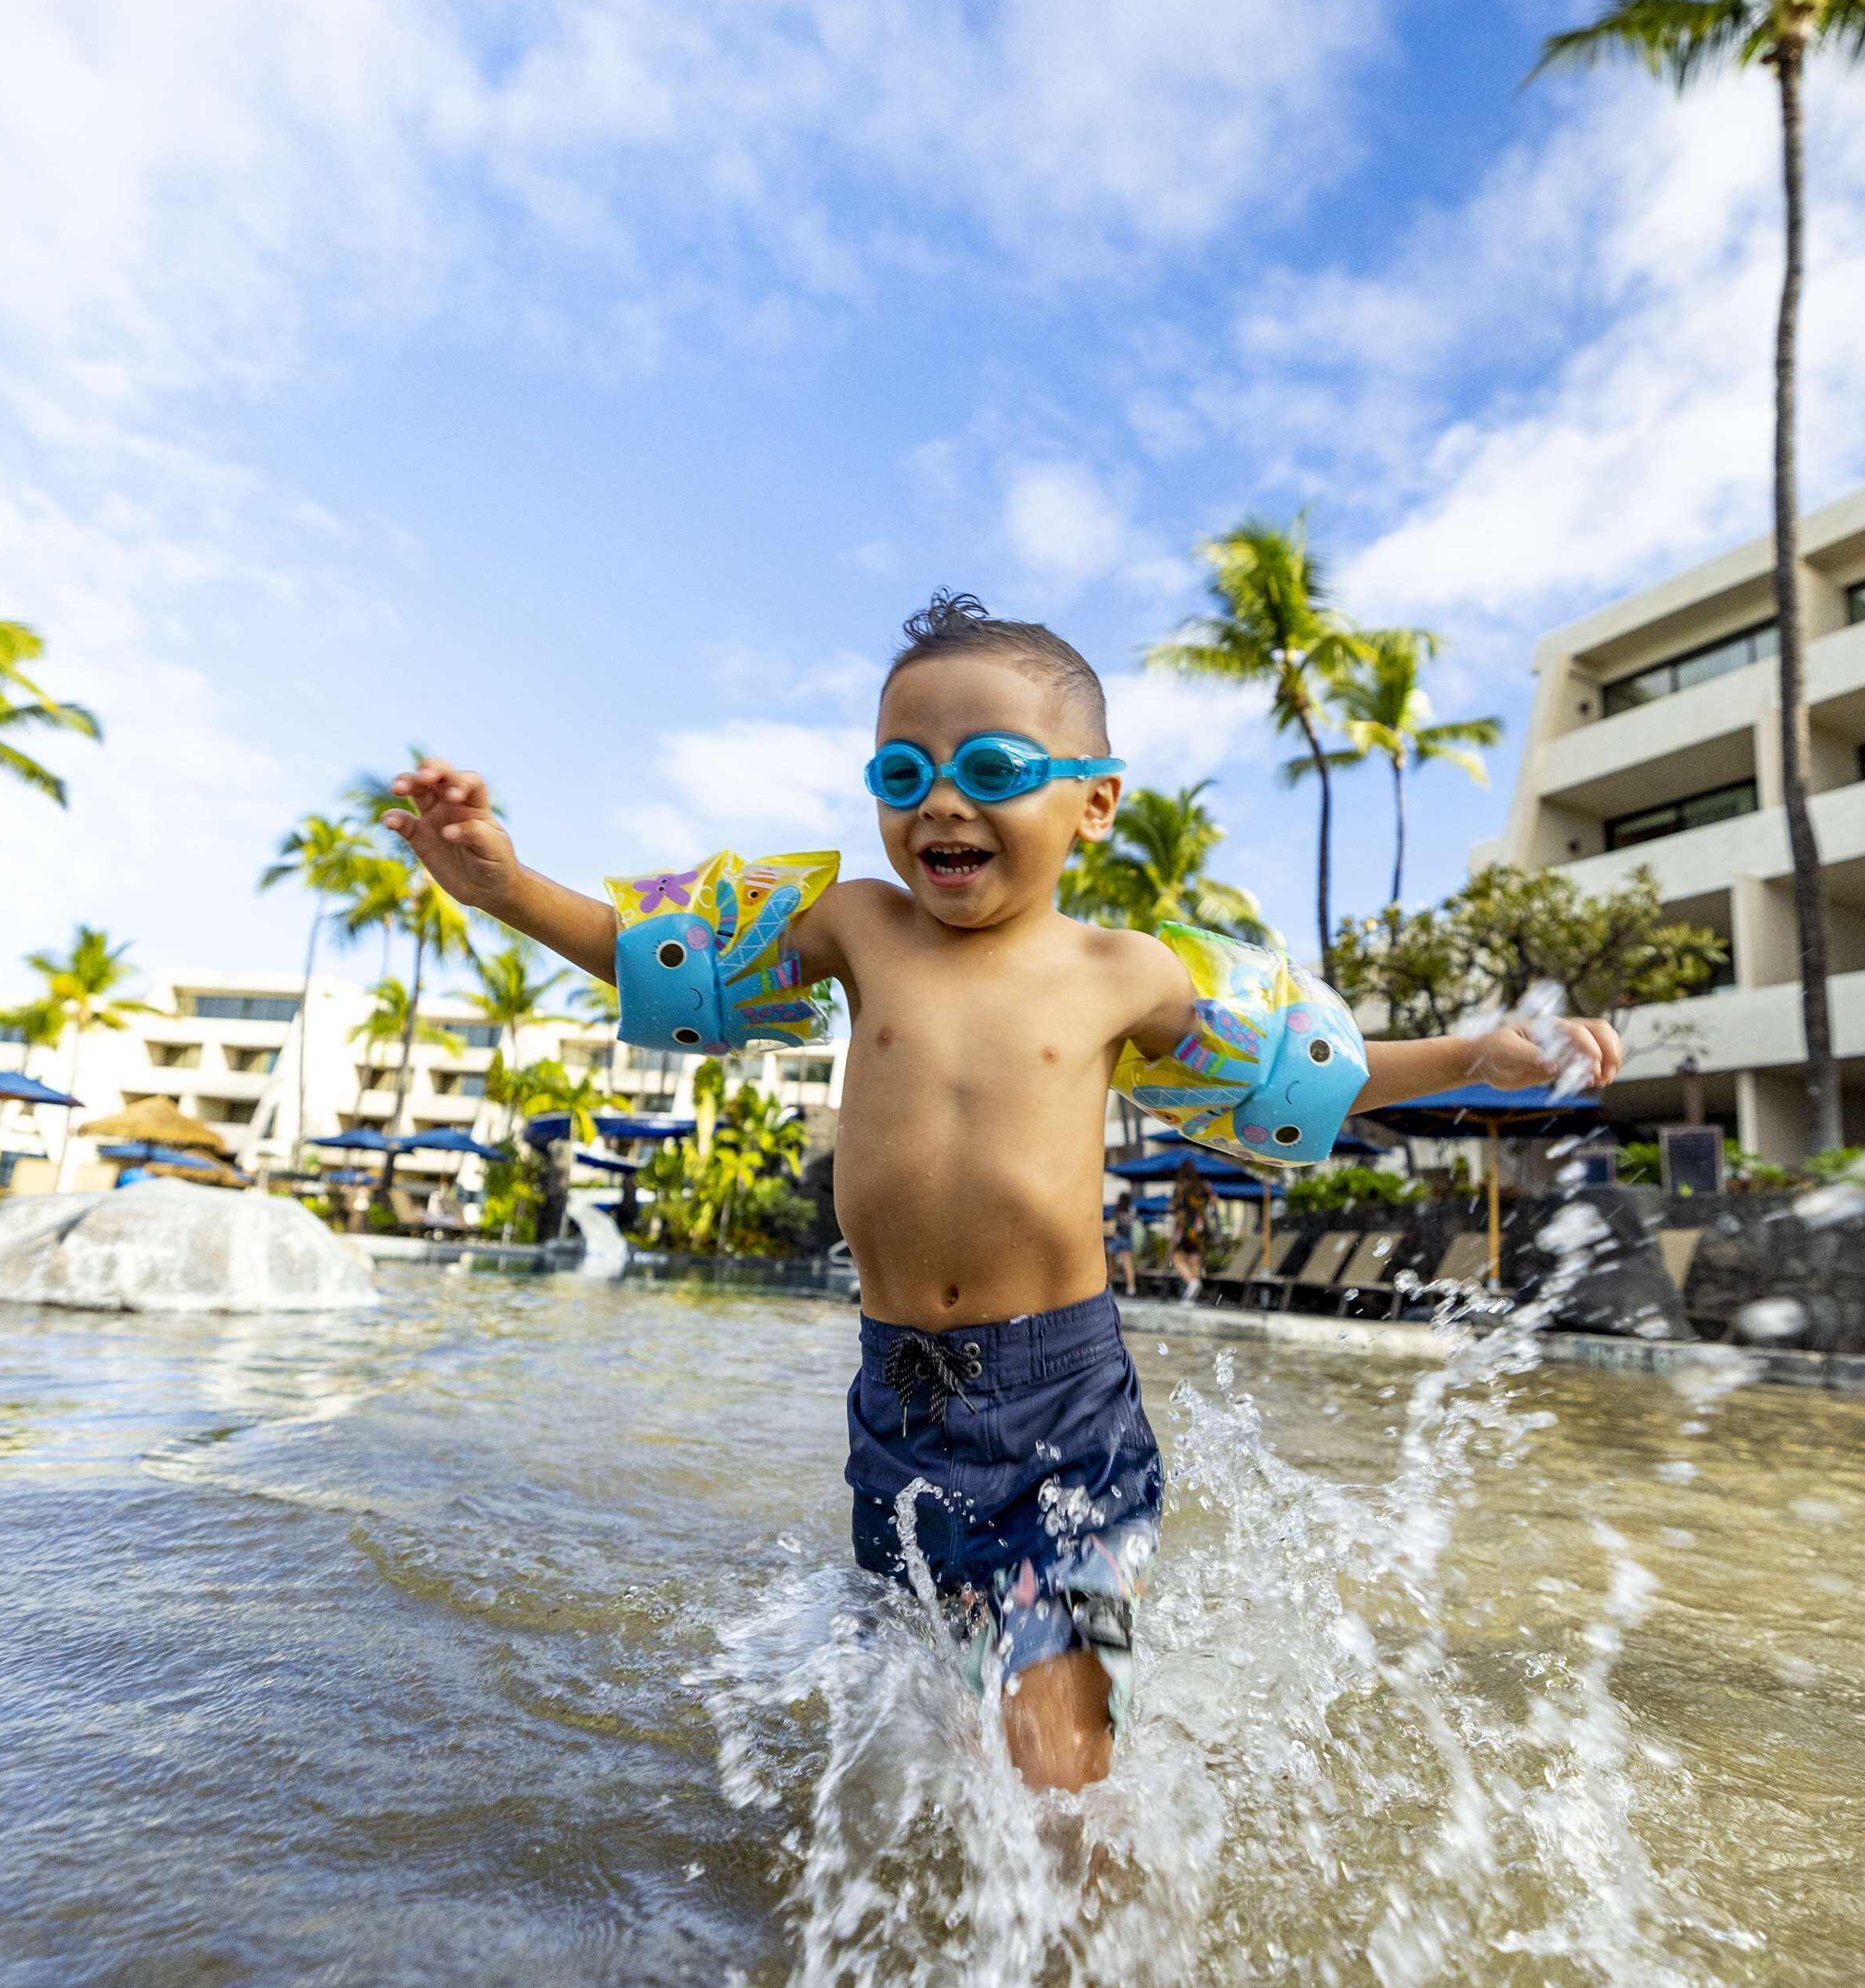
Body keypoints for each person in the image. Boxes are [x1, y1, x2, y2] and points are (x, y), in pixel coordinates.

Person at [381, 591, 1621, 1795]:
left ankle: (1101, 1970)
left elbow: (1298, 1074)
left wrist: (1471, 1059)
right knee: (930, 1713)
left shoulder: (1118, 971)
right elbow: (672, 962)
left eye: (990, 767)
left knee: (1060, 1761)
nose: (945, 804)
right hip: (898, 1398)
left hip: (1063, 1404)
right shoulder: (859, 926)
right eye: (904, 776)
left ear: (1095, 804)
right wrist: (504, 886)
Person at [1167, 1167, 1210, 1302]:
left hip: (1185, 1227)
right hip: (1199, 1228)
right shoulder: (1201, 1188)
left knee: (1177, 1257)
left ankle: (1192, 1282)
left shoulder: (1180, 1188)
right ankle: (1193, 1296)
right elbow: (1210, 1200)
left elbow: (1174, 1207)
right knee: (1194, 1259)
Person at [1105, 1188, 1139, 1297]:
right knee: (1128, 1265)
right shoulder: (1131, 1211)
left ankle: (1107, 1286)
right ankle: (1131, 1288)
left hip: (1115, 1240)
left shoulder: (1116, 1211)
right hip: (1126, 1239)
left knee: (1110, 1265)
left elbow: (1111, 1228)